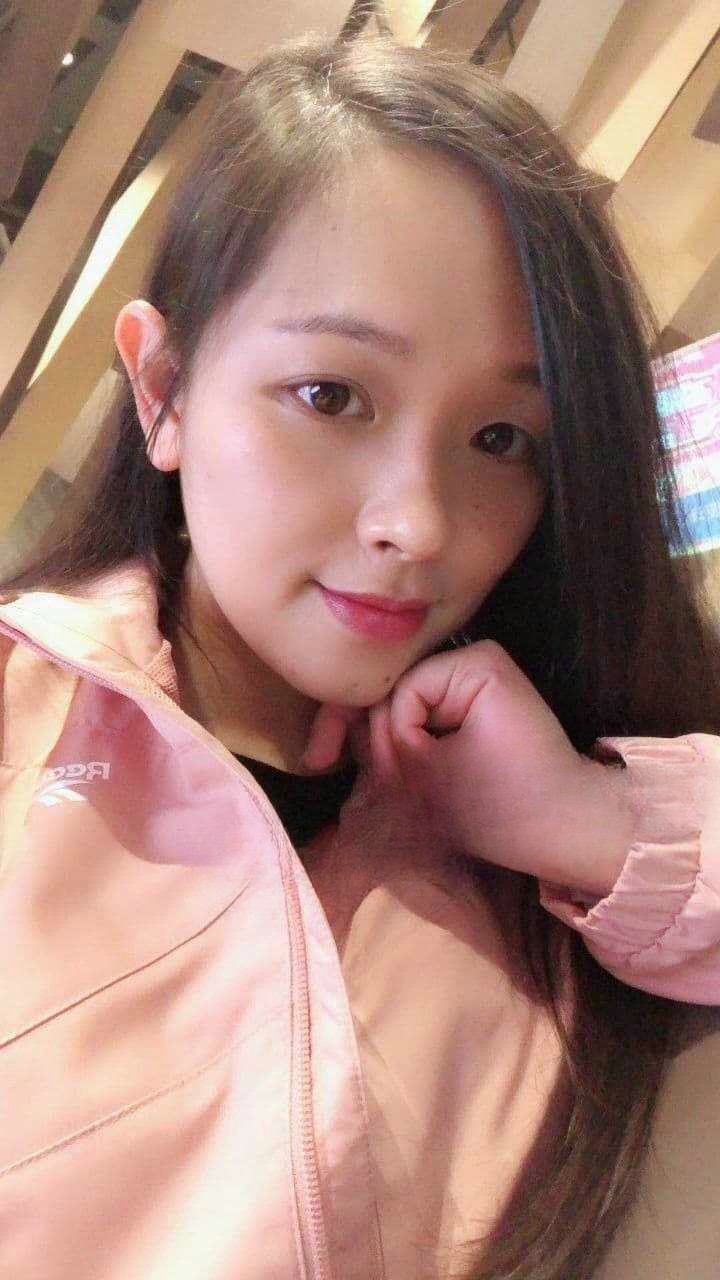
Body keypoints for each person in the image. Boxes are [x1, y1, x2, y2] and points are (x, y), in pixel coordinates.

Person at [0, 31, 719, 1280]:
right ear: (164, 390)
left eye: (502, 438)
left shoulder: (534, 840)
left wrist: (591, 819)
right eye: (332, 396)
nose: (420, 525)